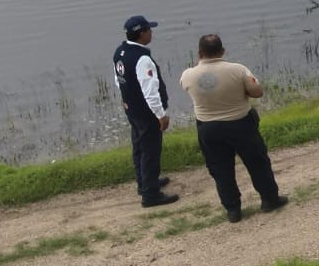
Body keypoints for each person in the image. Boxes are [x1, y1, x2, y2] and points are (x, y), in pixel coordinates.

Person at [178, 33, 288, 224]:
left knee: (220, 169)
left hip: (208, 128)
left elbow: (188, 88)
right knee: (257, 162)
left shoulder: (188, 75)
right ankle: (270, 199)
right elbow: (257, 92)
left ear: (199, 53)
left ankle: (233, 210)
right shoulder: (238, 70)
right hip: (240, 123)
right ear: (222, 51)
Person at [113, 15, 179, 208]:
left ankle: (144, 184)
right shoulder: (142, 58)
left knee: (139, 147)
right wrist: (161, 115)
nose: (151, 33)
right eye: (149, 30)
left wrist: (129, 99)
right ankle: (151, 195)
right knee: (150, 152)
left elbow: (119, 80)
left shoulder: (120, 52)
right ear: (142, 33)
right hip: (147, 113)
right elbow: (150, 91)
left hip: (131, 109)